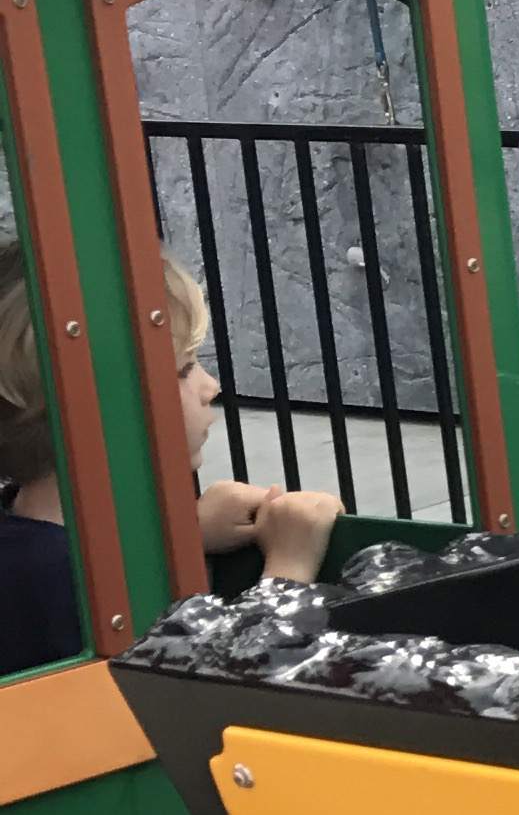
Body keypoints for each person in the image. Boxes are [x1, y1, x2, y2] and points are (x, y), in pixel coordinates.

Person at [0, 248, 342, 680]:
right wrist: (288, 574)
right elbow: (215, 700)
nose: (210, 387)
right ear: (102, 409)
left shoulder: (26, 535)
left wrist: (178, 537)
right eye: (184, 369)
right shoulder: (56, 578)